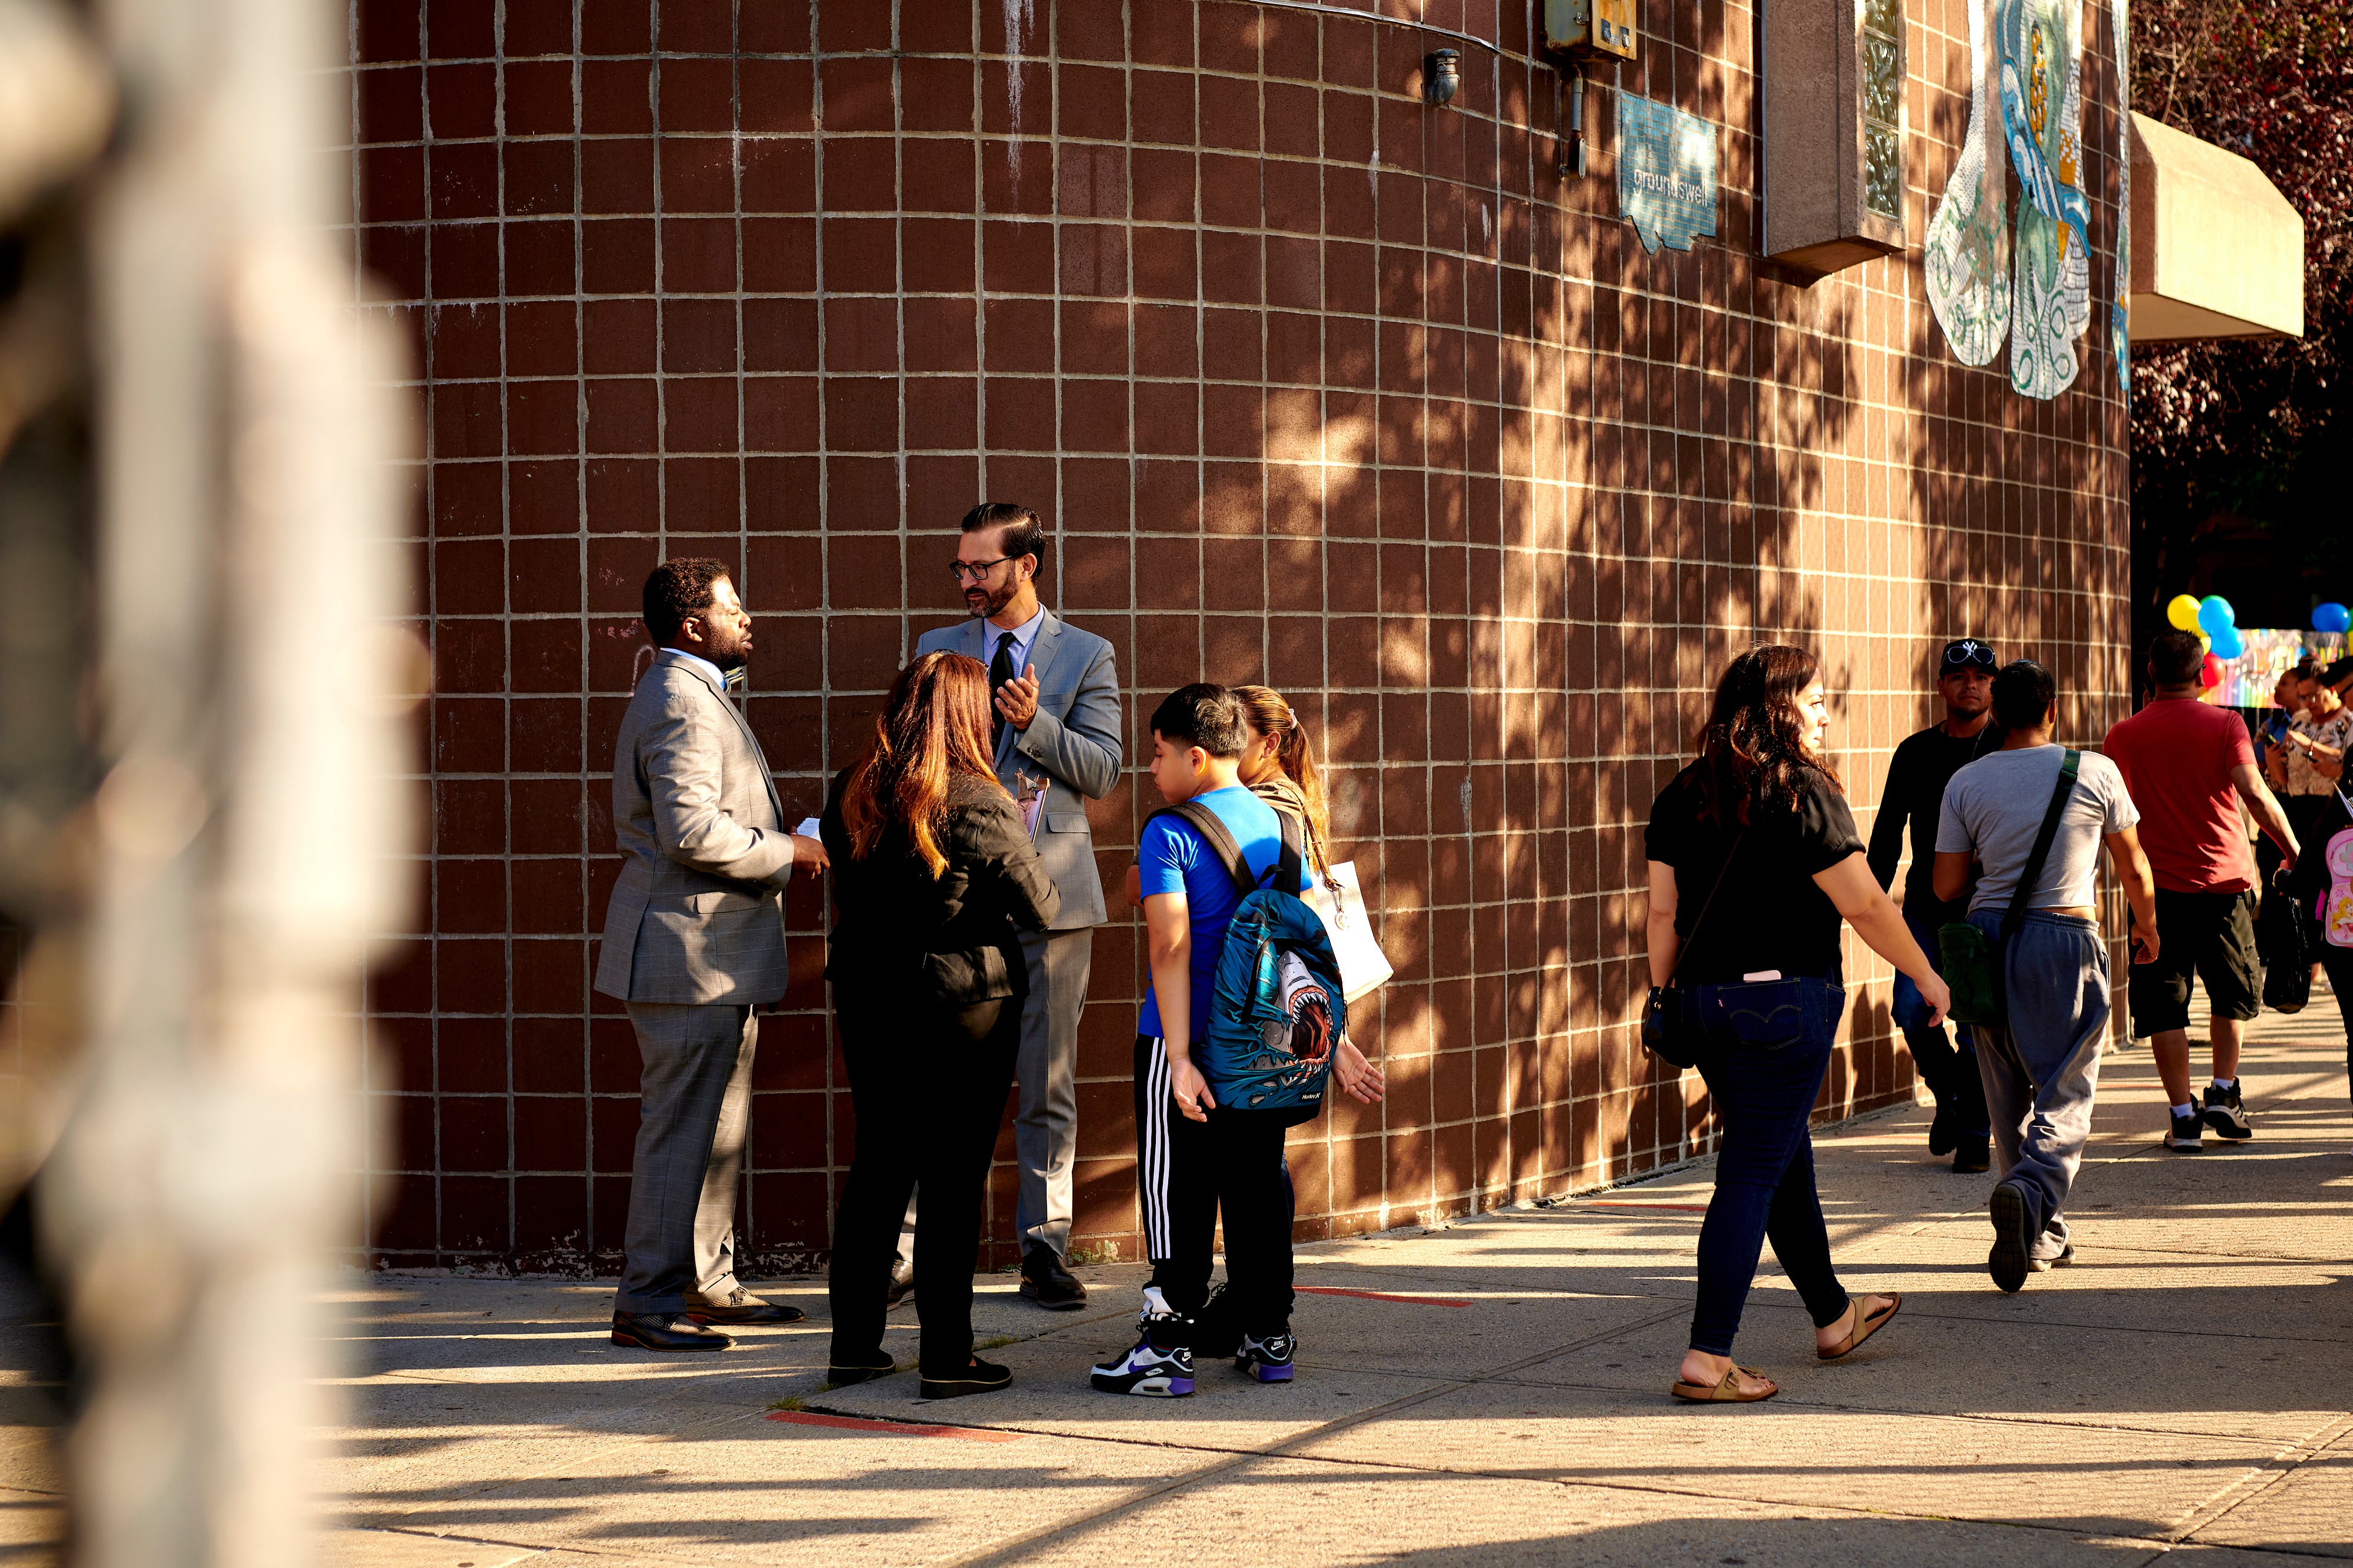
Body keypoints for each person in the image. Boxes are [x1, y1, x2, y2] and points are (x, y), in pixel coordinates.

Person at [1644, 645, 1935, 1404]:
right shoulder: (1802, 789)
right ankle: (1709, 1355)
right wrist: (1926, 973)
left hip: (1705, 1006)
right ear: (1777, 708)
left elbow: (1663, 913)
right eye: (1812, 700)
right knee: (1750, 1171)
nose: (1824, 712)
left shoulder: (1682, 793)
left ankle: (1835, 1315)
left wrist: (1663, 992)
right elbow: (1865, 903)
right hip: (1783, 1004)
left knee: (1778, 1155)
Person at [595, 560, 828, 1352]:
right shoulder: (681, 702)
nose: (748, 619)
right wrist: (788, 850)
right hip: (685, 956)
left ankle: (708, 1282)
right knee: (680, 1132)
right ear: (694, 625)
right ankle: (648, 1304)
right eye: (735, 607)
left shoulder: (691, 692)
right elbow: (690, 832)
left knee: (716, 1128)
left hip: (710, 957)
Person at [818, 653, 1061, 1400]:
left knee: (879, 1166)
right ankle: (946, 1357)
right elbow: (1042, 907)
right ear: (967, 714)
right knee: (953, 1177)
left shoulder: (853, 788)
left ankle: (854, 1348)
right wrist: (1024, 831)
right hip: (962, 1006)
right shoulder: (977, 798)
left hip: (868, 998)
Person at [905, 503, 1120, 1311]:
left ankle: (1044, 1248)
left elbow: (1102, 770)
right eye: (959, 568)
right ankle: (911, 1251)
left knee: (1048, 1080)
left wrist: (1036, 726)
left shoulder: (1088, 654)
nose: (967, 582)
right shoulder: (937, 649)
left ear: (1027, 564)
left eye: (981, 568)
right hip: (956, 899)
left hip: (1052, 899)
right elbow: (911, 752)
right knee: (939, 1083)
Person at [1092, 685, 1306, 1397]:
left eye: (1156, 754)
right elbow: (1295, 942)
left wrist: (1179, 1057)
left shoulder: (1169, 830)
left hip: (1178, 1040)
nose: (1149, 770)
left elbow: (1172, 949)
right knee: (1254, 1187)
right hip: (1260, 1046)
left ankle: (1165, 1345)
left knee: (1175, 1190)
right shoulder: (1281, 825)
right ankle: (1268, 1334)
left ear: (1195, 754)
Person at [1934, 660, 2158, 1292]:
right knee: (2066, 1086)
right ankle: (2030, 1192)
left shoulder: (1965, 781)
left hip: (1984, 942)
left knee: (2004, 1091)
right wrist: (2147, 927)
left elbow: (1946, 884)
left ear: (1996, 713)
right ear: (2052, 710)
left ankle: (2037, 1232)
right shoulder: (2094, 771)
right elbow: (2133, 864)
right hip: (2063, 938)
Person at [2105, 630, 2301, 1152]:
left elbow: (2110, 817)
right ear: (2201, 677)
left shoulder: (2122, 736)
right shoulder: (2226, 724)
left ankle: (2182, 1116)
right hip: (2224, 885)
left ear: (2150, 675)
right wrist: (2294, 850)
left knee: (2165, 1004)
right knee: (2232, 993)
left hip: (2154, 892)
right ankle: (2222, 1091)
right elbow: (2255, 795)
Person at [1865, 638, 2001, 1173]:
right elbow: (1885, 834)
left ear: (1994, 687)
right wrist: (1869, 900)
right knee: (1911, 1010)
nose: (1971, 683)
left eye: (1982, 676)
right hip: (1922, 909)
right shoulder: (1914, 751)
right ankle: (1953, 1098)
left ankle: (1974, 1132)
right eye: (1959, 675)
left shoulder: (2005, 748)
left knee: (1972, 1026)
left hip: (1984, 908)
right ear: (1941, 685)